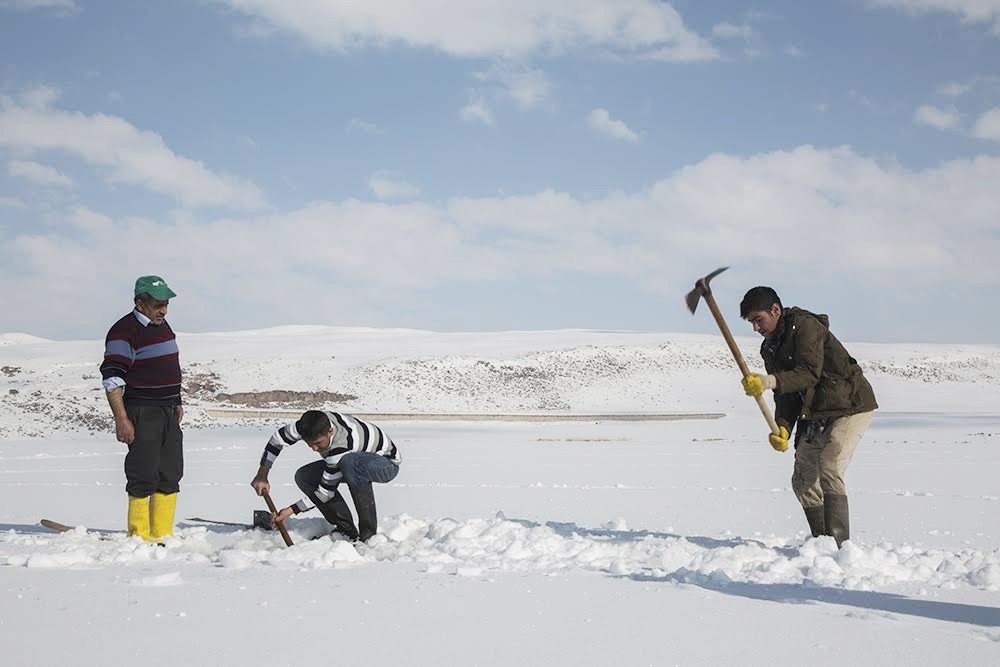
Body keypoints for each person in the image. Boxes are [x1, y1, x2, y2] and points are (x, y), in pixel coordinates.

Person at [739, 286, 877, 547]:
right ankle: (821, 543)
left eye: (758, 319)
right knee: (803, 479)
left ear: (775, 310)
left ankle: (839, 548)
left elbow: (809, 373)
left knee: (829, 465)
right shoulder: (769, 348)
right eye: (751, 323)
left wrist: (768, 381)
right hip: (816, 411)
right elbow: (787, 395)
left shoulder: (805, 327)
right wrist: (783, 427)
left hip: (849, 403)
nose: (756, 328)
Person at [99, 275, 183, 541]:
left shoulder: (162, 325)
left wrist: (177, 400)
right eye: (158, 305)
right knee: (143, 472)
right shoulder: (123, 331)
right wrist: (121, 419)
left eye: (166, 304)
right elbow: (112, 379)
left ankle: (162, 533)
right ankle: (140, 536)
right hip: (143, 411)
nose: (164, 310)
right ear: (139, 303)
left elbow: (168, 366)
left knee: (170, 471)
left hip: (168, 409)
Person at [250, 409, 401, 542]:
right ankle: (346, 531)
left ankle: (368, 537)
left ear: (330, 431)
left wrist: (291, 510)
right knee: (304, 476)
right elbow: (277, 440)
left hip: (385, 464)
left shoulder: (341, 444)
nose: (314, 449)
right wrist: (262, 475)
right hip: (351, 460)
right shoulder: (306, 426)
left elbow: (325, 493)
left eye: (318, 443)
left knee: (350, 463)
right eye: (309, 444)